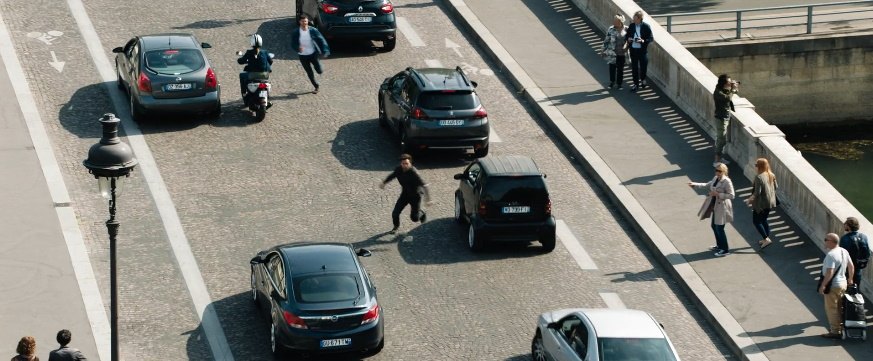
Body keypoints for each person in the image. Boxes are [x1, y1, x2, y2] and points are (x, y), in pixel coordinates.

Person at [688, 162, 735, 257]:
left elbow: (732, 195)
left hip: (722, 207)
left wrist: (718, 194)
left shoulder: (727, 181)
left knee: (719, 228)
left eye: (719, 171)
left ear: (724, 171)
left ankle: (725, 249)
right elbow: (707, 185)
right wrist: (695, 184)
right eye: (716, 170)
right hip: (715, 206)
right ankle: (719, 245)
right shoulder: (716, 178)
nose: (717, 172)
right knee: (714, 226)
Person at [379, 154, 432, 234]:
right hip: (405, 194)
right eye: (403, 163)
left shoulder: (414, 173)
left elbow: (425, 185)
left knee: (414, 218)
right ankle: (395, 227)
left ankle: (422, 213)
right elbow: (392, 176)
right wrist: (384, 182)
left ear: (410, 163)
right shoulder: (399, 170)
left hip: (415, 196)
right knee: (395, 213)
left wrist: (428, 199)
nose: (404, 165)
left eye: (406, 164)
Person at [819, 232, 854, 339]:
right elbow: (851, 266)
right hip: (843, 283)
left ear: (832, 242)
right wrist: (850, 279)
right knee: (839, 307)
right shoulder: (844, 251)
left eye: (826, 239)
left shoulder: (831, 255)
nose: (824, 241)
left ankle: (835, 331)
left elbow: (830, 272)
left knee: (831, 309)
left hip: (833, 285)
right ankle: (839, 327)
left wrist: (823, 285)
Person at [291, 15, 330, 94]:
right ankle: (316, 86)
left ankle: (319, 70)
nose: (304, 23)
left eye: (305, 21)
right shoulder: (296, 32)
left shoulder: (313, 30)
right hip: (302, 56)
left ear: (307, 21)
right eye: (302, 21)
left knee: (319, 70)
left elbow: (321, 40)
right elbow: (292, 43)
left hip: (313, 54)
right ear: (300, 22)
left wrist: (325, 51)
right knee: (309, 72)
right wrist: (298, 48)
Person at [745, 158, 777, 250]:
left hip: (761, 204)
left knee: (756, 221)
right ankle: (765, 238)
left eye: (756, 165)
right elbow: (776, 187)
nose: (755, 167)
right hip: (770, 202)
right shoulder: (772, 175)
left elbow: (757, 193)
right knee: (764, 220)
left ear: (759, 166)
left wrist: (749, 200)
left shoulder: (759, 177)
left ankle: (766, 239)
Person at [237, 34, 273, 99]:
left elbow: (241, 61)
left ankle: (244, 93)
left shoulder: (249, 52)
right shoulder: (265, 52)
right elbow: (271, 61)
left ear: (252, 43)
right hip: (265, 75)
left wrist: (239, 59)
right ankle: (267, 95)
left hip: (253, 75)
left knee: (242, 76)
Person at [713, 74, 738, 167]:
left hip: (725, 116)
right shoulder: (718, 93)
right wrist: (733, 89)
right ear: (723, 83)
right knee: (721, 140)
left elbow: (735, 92)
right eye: (728, 82)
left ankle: (719, 158)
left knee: (721, 139)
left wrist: (733, 88)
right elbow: (728, 98)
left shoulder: (724, 90)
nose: (730, 83)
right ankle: (716, 161)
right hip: (721, 118)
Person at [624, 10, 653, 92]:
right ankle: (635, 84)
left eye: (635, 19)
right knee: (634, 68)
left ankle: (643, 79)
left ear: (640, 18)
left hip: (642, 51)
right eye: (633, 18)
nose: (634, 20)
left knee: (643, 67)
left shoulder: (646, 26)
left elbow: (651, 38)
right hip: (633, 50)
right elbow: (627, 35)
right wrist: (628, 39)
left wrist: (643, 41)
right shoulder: (632, 26)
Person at [839, 217, 870, 287]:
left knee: (845, 291)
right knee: (855, 289)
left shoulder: (845, 238)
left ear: (848, 226)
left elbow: (842, 255)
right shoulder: (864, 237)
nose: (844, 225)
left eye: (845, 223)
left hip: (848, 269)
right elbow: (868, 252)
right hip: (859, 267)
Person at [601, 14, 627, 90]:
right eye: (614, 20)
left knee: (620, 69)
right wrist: (602, 50)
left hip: (622, 53)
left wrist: (627, 45)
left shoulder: (626, 29)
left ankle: (619, 84)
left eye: (615, 20)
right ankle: (612, 82)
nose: (614, 22)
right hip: (612, 52)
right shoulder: (611, 29)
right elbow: (606, 40)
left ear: (620, 21)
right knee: (612, 68)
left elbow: (628, 40)